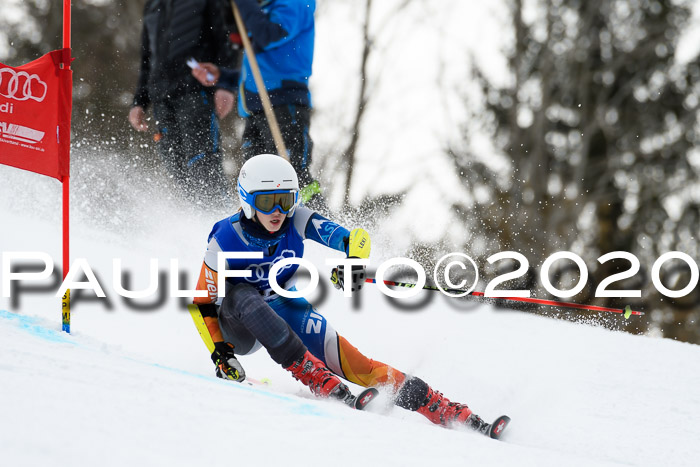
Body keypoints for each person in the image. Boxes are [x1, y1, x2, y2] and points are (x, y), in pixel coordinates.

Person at [191, 154, 508, 437]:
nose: (278, 211)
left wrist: (352, 264)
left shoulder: (297, 219)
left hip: (279, 307)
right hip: (236, 324)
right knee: (245, 294)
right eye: (267, 202)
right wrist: (220, 352)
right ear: (248, 201)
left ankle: (441, 407)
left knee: (358, 363)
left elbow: (354, 239)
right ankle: (315, 376)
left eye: (285, 200)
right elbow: (201, 301)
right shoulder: (226, 237)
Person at [189, 0, 324, 207]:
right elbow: (256, 72)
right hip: (256, 108)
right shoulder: (267, 7)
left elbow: (269, 34)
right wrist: (222, 76)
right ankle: (261, 236)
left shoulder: (295, 3)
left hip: (283, 104)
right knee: (258, 184)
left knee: (291, 176)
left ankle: (323, 229)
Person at [129, 0, 240, 206]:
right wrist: (139, 101)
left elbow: (226, 38)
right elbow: (147, 58)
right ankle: (194, 224)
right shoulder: (152, 5)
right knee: (176, 167)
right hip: (161, 97)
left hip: (196, 91)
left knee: (203, 163)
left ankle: (219, 218)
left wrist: (225, 85)